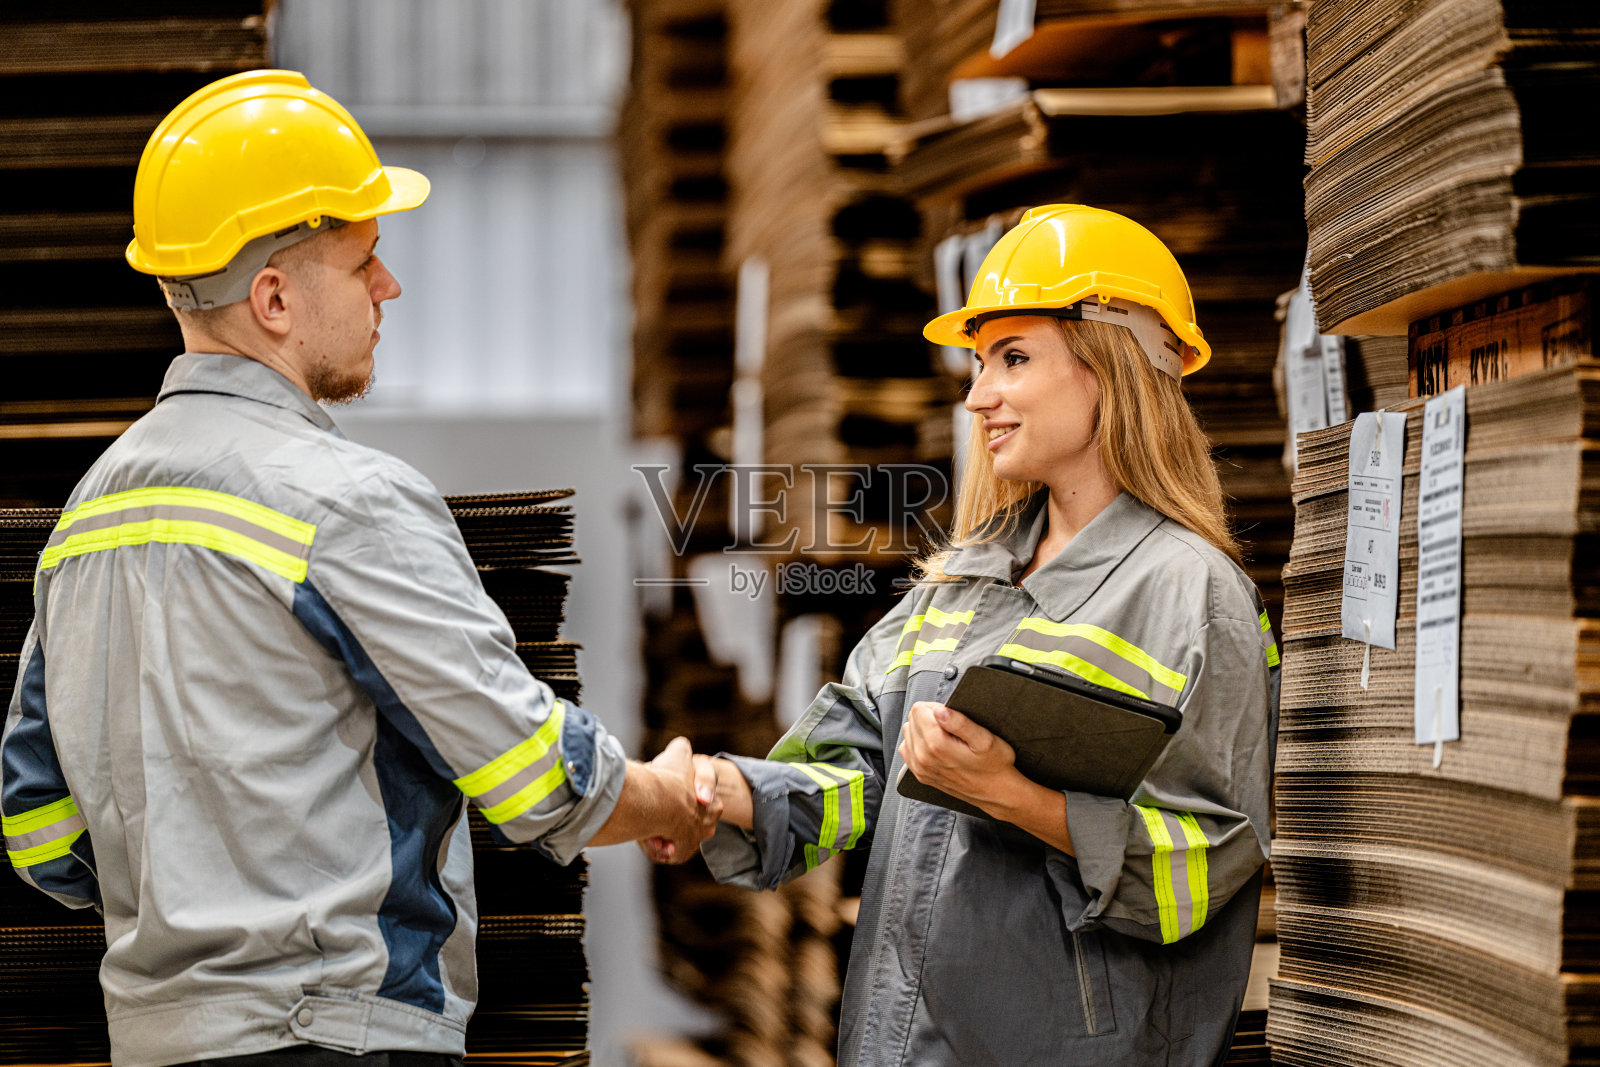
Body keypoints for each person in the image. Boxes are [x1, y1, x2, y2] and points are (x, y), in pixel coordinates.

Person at [0, 70, 717, 1067]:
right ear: (276, 297)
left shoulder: (87, 517)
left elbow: (38, 830)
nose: (388, 287)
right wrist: (669, 794)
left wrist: (194, 887)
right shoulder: (343, 499)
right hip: (330, 1037)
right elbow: (528, 771)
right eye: (364, 260)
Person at [686, 205, 1279, 1065]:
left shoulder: (1195, 596)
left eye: (1013, 358)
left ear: (1112, 365)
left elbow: (1210, 868)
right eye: (977, 362)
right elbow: (857, 769)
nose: (977, 396)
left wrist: (1015, 797)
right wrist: (711, 790)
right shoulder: (964, 580)